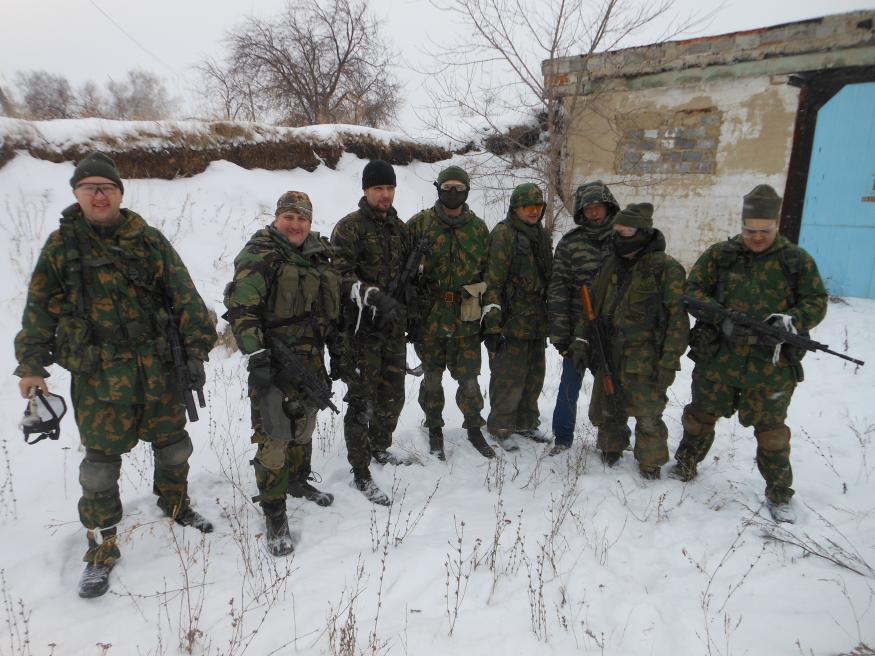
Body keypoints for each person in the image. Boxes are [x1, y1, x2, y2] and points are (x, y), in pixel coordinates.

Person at [14, 151, 217, 598]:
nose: (99, 195)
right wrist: (31, 366)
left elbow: (184, 295)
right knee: (100, 470)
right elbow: (38, 310)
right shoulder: (62, 248)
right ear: (77, 194)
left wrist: (196, 351)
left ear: (120, 193)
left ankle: (176, 504)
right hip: (100, 378)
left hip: (158, 370)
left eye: (107, 187)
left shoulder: (148, 240)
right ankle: (101, 548)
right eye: (90, 188)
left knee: (174, 447)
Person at [669, 185, 827, 523]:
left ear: (776, 225)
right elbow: (692, 291)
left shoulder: (795, 260)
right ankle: (685, 464)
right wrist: (721, 318)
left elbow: (816, 301)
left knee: (771, 432)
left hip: (770, 366)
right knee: (699, 417)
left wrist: (790, 321)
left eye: (764, 231)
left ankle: (779, 493)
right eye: (750, 230)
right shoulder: (721, 255)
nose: (756, 237)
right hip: (719, 359)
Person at [223, 191, 340, 556]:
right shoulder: (260, 254)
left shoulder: (317, 254)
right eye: (289, 217)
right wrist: (257, 356)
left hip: (310, 358)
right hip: (273, 359)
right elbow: (241, 309)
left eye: (302, 218)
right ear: (277, 218)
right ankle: (275, 512)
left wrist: (337, 350)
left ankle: (298, 481)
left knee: (304, 426)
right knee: (274, 437)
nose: (295, 224)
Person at [573, 202, 688, 479]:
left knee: (648, 413)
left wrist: (669, 361)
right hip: (609, 349)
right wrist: (580, 341)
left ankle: (650, 460)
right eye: (616, 231)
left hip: (645, 357)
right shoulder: (611, 264)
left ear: (642, 233)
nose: (618, 237)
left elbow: (677, 320)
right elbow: (591, 306)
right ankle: (611, 447)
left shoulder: (666, 268)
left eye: (624, 232)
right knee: (609, 404)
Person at [331, 160, 411, 504]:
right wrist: (371, 295)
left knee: (393, 396)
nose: (385, 194)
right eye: (379, 188)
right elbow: (338, 276)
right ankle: (360, 471)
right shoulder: (349, 228)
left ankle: (379, 446)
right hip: (361, 332)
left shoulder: (400, 229)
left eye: (390, 188)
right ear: (365, 190)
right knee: (361, 401)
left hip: (392, 331)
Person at [407, 165, 495, 460]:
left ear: (467, 191)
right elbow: (403, 268)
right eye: (447, 188)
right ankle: (434, 427)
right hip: (430, 316)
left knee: (469, 378)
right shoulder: (420, 224)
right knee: (432, 377)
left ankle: (474, 426)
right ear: (438, 189)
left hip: (466, 315)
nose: (453, 193)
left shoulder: (478, 228)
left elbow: (489, 273)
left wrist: (490, 314)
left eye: (459, 188)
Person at [546, 180, 620, 456]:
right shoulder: (570, 243)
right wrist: (560, 334)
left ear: (608, 206)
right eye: (588, 208)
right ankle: (563, 437)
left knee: (611, 386)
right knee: (569, 384)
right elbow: (559, 289)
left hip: (613, 329)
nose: (594, 212)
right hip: (579, 330)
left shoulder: (623, 239)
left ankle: (611, 440)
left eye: (598, 206)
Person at [482, 183, 553, 451]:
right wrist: (493, 324)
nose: (534, 211)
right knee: (508, 377)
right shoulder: (504, 234)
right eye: (527, 207)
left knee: (534, 376)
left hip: (537, 320)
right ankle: (501, 427)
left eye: (538, 206)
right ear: (515, 208)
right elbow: (493, 282)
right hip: (512, 321)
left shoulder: (541, 235)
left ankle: (526, 423)